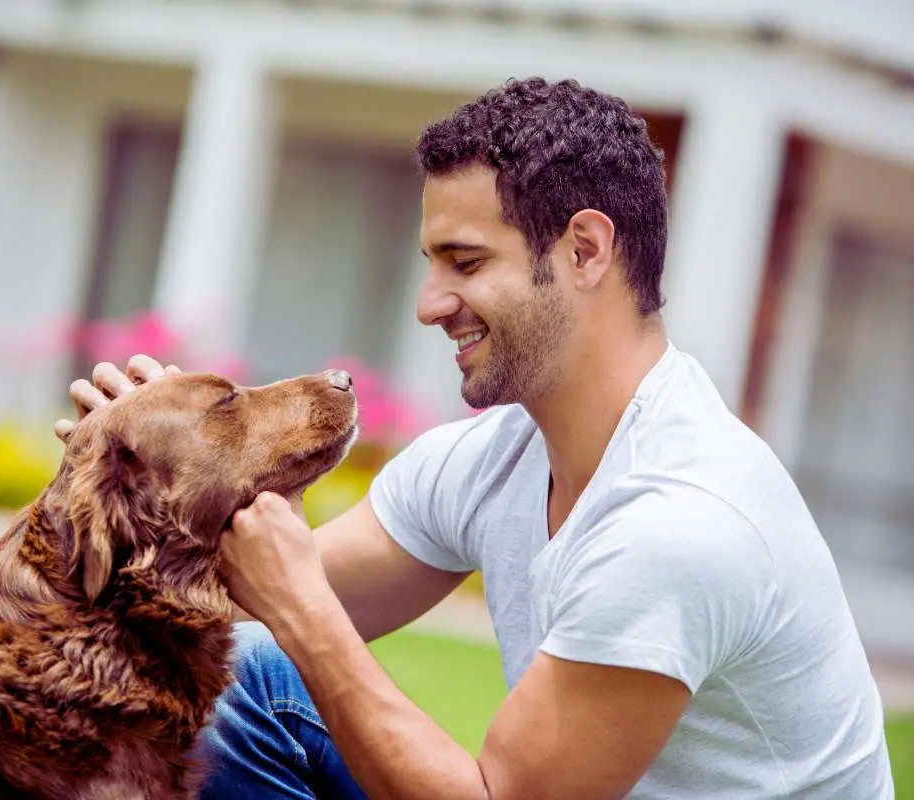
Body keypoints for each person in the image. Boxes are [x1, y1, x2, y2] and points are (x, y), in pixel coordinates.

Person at [56, 78, 894, 798]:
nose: (429, 303)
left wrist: (301, 607)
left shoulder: (678, 522)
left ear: (585, 249)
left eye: (464, 262)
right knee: (235, 685)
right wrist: (151, 475)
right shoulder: (497, 459)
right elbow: (231, 612)